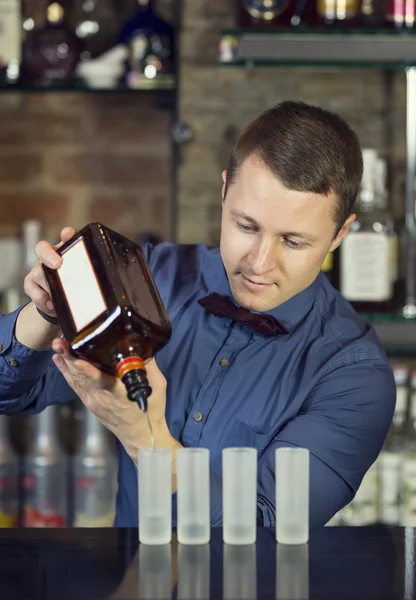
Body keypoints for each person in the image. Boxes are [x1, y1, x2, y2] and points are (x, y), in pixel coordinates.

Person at [0, 101, 395, 528]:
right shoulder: (149, 278)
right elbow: (12, 393)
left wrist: (144, 440)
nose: (259, 263)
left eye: (294, 242)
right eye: (246, 226)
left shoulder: (354, 377)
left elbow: (268, 526)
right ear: (224, 190)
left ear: (340, 234)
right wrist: (45, 313)